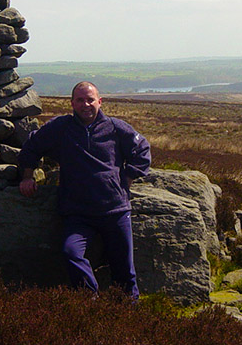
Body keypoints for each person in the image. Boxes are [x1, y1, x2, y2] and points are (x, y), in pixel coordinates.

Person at [18, 81, 151, 299]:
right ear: (72, 103)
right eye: (80, 100)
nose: (85, 104)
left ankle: (128, 312)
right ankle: (90, 301)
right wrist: (27, 176)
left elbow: (142, 149)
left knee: (125, 270)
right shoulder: (61, 128)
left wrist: (127, 179)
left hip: (115, 211)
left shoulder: (116, 128)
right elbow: (32, 146)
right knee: (71, 253)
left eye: (90, 99)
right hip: (77, 214)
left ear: (100, 101)